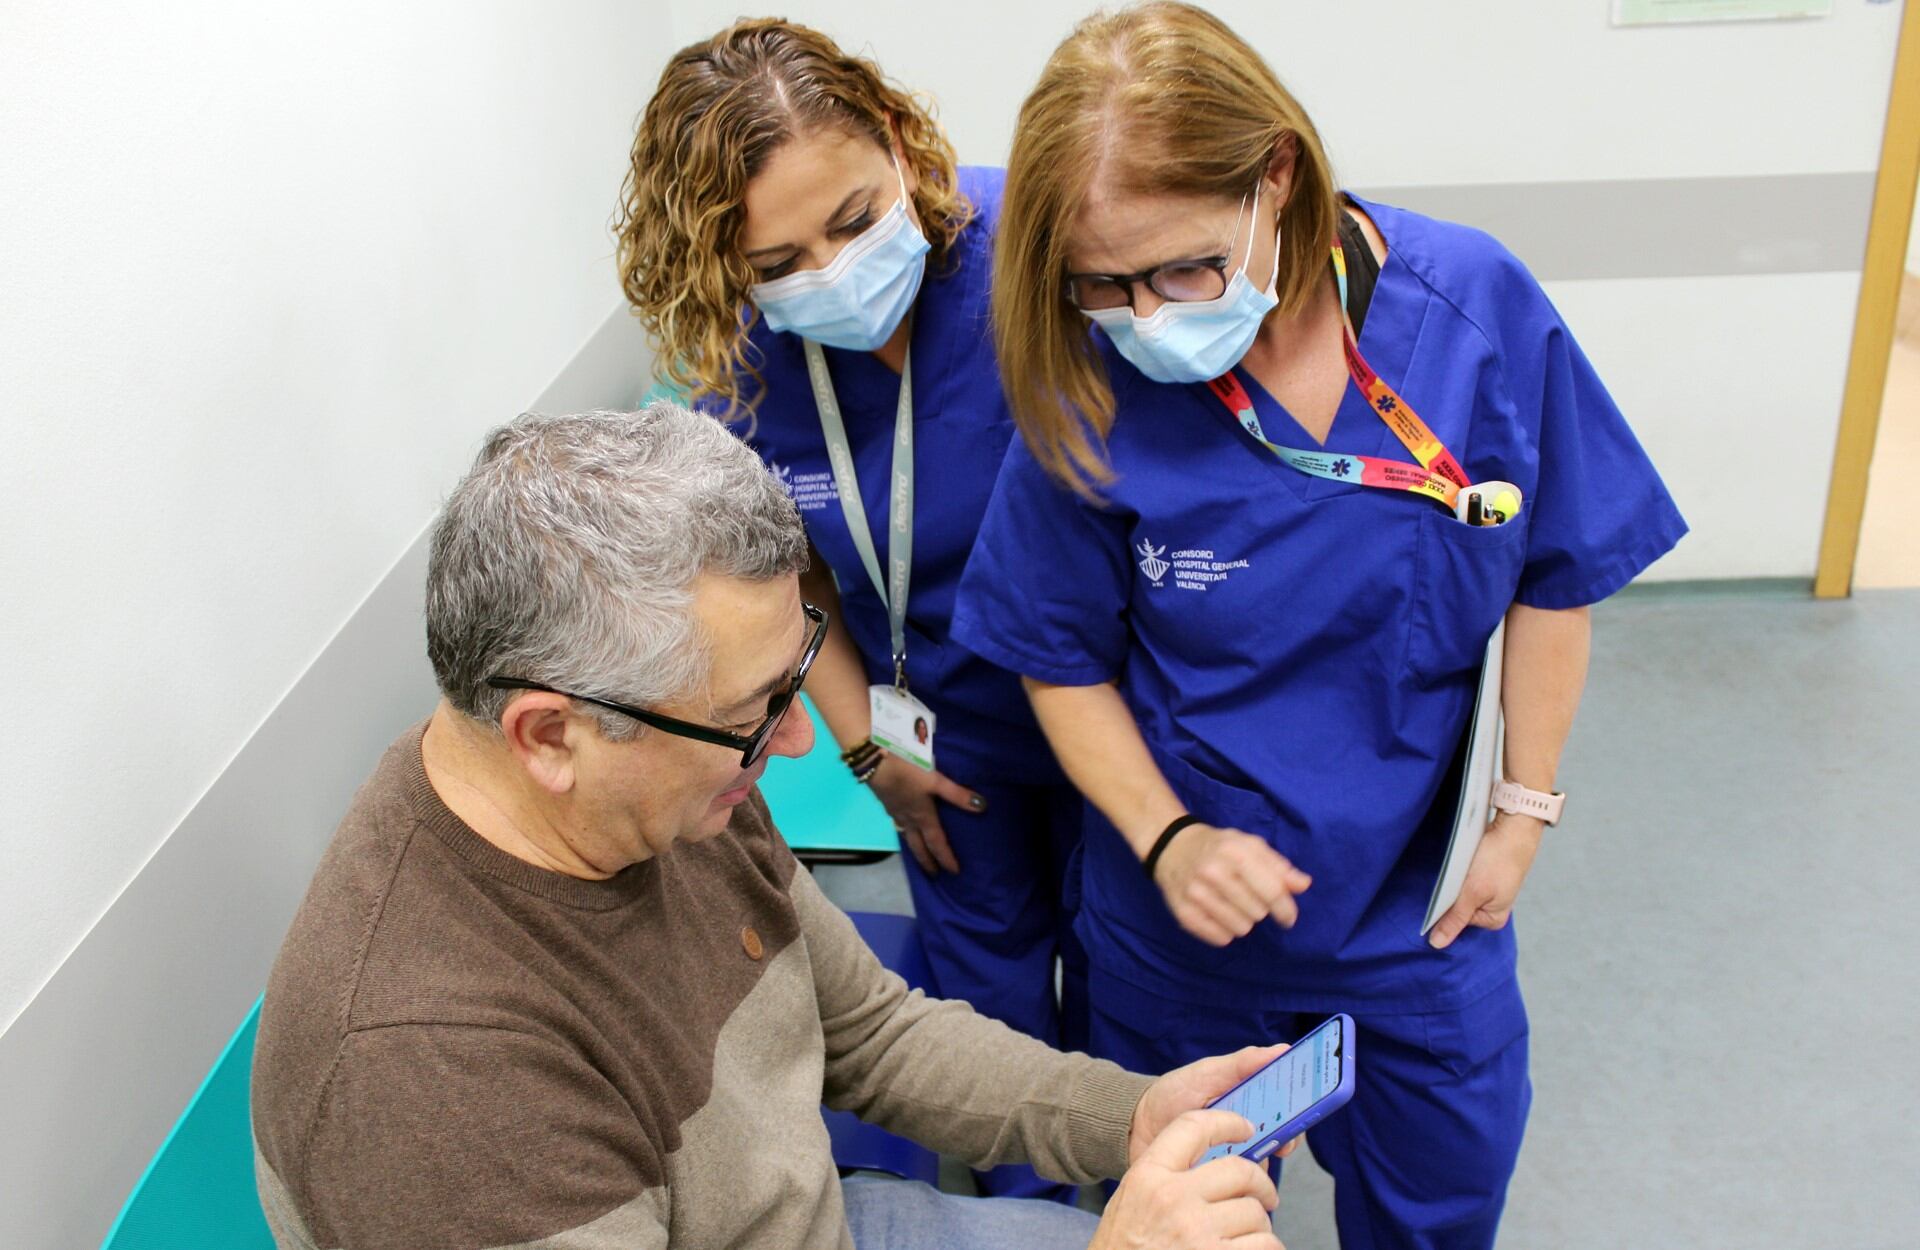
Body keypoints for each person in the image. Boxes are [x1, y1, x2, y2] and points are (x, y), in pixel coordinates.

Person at [950, 6, 1688, 1249]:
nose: (1145, 316)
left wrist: (1524, 809)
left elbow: (1554, 569)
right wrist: (1168, 835)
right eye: (1102, 283)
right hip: (1183, 912)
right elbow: (1057, 654)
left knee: (1438, 1201)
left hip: (1417, 907)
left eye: (1184, 267)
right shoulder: (1091, 373)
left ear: (1275, 176)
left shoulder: (1472, 311)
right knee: (1195, 1219)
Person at [249, 406, 1299, 1250]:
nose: (793, 743)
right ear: (550, 734)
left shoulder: (659, 786)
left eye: (791, 678)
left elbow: (873, 1034)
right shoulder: (429, 1081)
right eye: (749, 713)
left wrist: (1130, 1116)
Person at [615, 19, 1087, 1203]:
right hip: (939, 731)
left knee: (1140, 981)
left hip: (1117, 705)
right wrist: (871, 748)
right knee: (989, 1003)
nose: (829, 274)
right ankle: (1032, 1223)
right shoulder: (739, 363)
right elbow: (797, 577)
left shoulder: (1039, 253)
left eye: (855, 218)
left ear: (899, 144)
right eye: (777, 263)